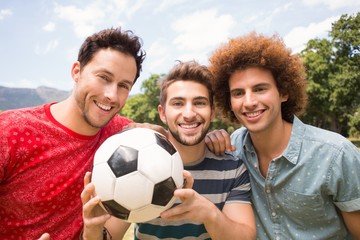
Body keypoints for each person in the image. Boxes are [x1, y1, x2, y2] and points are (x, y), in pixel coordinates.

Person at [205, 32, 360, 239]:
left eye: (260, 89)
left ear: (283, 93)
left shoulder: (336, 155)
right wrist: (208, 141)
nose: (249, 102)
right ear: (228, 101)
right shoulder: (231, 149)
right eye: (238, 93)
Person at [81, 61, 256, 239]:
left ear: (212, 112)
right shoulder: (136, 162)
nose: (188, 114)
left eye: (199, 103)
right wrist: (93, 229)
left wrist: (209, 214)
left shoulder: (233, 168)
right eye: (178, 103)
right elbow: (109, 236)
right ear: (163, 113)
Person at [0, 27, 146, 239]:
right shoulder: (9, 131)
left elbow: (165, 135)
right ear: (76, 71)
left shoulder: (123, 136)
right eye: (103, 77)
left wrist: (210, 138)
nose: (112, 95)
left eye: (123, 86)